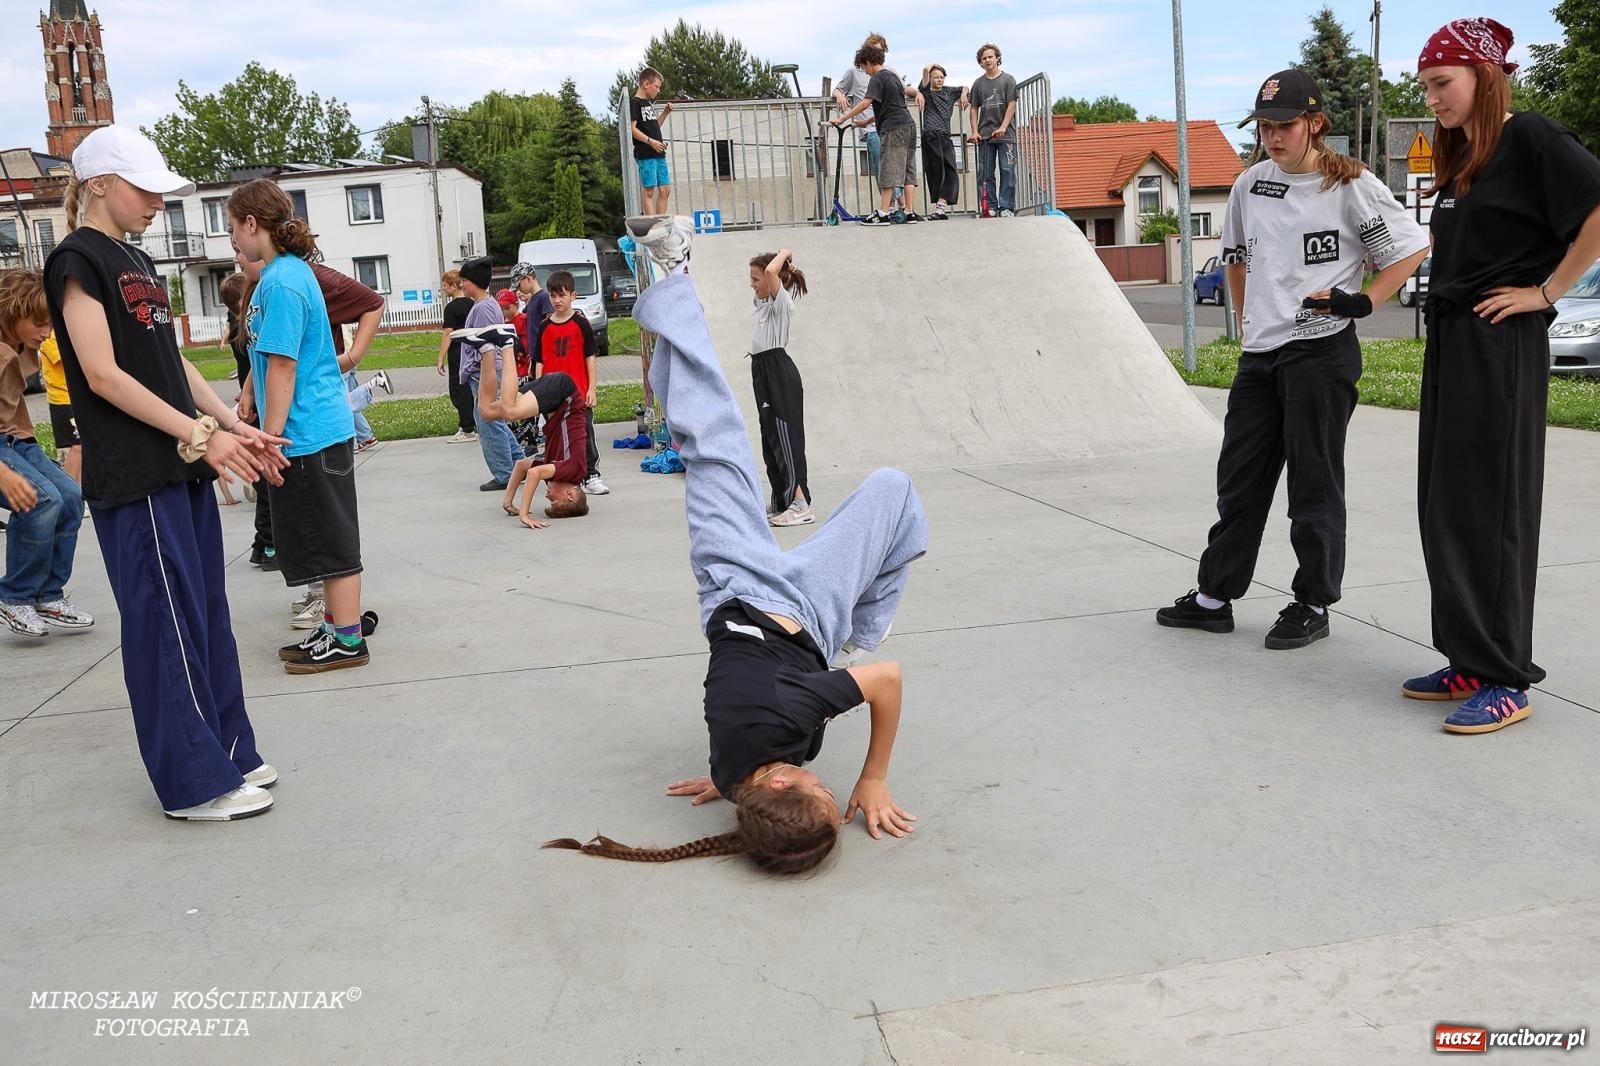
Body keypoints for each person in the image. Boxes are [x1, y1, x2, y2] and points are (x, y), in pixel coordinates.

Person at [542, 216, 926, 873]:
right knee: (892, 493)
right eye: (840, 797)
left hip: (749, 591)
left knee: (715, 442)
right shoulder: (735, 771)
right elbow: (747, 745)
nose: (831, 788)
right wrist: (725, 784)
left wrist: (874, 777)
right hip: (792, 615)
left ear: (776, 783)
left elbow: (886, 684)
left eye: (820, 791)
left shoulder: (783, 720)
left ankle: (674, 277)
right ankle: (859, 625)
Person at [45, 126, 284, 819]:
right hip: (137, 473)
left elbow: (171, 363)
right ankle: (191, 783)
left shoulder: (141, 263)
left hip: (182, 467)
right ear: (97, 185)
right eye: (143, 187)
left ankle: (229, 749)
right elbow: (100, 374)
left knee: (206, 611)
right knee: (164, 621)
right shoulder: (77, 260)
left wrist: (232, 425)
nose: (156, 200)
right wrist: (200, 435)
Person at [1155, 69, 1428, 653]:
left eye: (1285, 126)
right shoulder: (1250, 184)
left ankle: (1312, 600)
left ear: (1315, 123)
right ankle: (1214, 598)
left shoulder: (1351, 183)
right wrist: (1246, 317)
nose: (1273, 138)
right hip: (1261, 354)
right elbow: (1234, 257)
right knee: (1240, 481)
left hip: (1321, 350)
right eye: (1265, 127)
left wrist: (1366, 300)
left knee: (1313, 482)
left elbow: (1411, 249)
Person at [1402, 19, 1600, 734]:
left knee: (1495, 504)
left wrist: (1546, 294)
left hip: (1499, 345)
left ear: (1485, 78)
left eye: (1441, 84)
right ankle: (1467, 657)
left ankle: (1506, 675)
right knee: (1447, 501)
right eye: (1425, 88)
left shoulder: (1534, 138)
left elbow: (1596, 213)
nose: (1432, 101)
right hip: (1454, 341)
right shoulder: (1464, 155)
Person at [227, 177, 372, 674]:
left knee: (330, 540)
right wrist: (250, 395)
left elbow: (284, 366)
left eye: (232, 227)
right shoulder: (281, 275)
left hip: (309, 430)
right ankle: (334, 628)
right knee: (318, 538)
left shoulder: (283, 282)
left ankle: (348, 640)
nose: (232, 239)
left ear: (252, 224)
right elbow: (267, 360)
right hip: (309, 427)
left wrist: (269, 438)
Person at [0, 269, 91, 639]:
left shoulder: (23, 345)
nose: (47, 332)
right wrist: (6, 474)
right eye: (39, 323)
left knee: (70, 495)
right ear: (11, 311)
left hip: (15, 438)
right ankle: (15, 595)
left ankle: (47, 594)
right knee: (39, 500)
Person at [467, 324, 589, 528]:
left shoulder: (556, 468)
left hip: (554, 396)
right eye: (553, 499)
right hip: (563, 392)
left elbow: (522, 466)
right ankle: (507, 342)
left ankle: (486, 350)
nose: (548, 495)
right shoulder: (574, 469)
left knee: (486, 412)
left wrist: (508, 502)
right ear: (570, 494)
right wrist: (525, 514)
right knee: (510, 411)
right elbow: (533, 474)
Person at [747, 249, 813, 526]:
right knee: (770, 438)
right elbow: (769, 275)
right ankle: (781, 500)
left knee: (787, 438)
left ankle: (800, 504)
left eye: (756, 279)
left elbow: (773, 272)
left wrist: (784, 252)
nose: (752, 284)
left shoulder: (781, 302)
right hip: (761, 369)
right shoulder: (762, 302)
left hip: (778, 371)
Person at [534, 270, 608, 496]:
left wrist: (591, 389)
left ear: (573, 296)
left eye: (562, 295)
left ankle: (591, 474)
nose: (557, 301)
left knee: (583, 433)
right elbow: (539, 362)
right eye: (553, 296)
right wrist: (538, 395)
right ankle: (563, 476)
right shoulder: (545, 327)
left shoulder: (581, 323)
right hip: (552, 395)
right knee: (555, 436)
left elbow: (590, 357)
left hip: (577, 392)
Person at [830, 43, 919, 226]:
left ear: (869, 63)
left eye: (864, 67)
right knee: (908, 171)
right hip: (909, 126)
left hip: (893, 129)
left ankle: (883, 213)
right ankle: (909, 212)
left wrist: (842, 119)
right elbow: (892, 105)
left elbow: (865, 103)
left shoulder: (877, 78)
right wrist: (867, 122)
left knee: (888, 169)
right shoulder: (893, 77)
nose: (865, 71)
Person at [457, 255, 521, 490]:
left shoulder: (483, 307)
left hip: (485, 374)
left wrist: (482, 373)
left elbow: (487, 346)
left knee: (488, 423)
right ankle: (518, 465)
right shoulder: (486, 304)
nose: (462, 284)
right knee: (499, 420)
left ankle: (504, 474)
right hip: (488, 372)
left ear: (474, 281)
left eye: (464, 280)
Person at [968, 43, 1018, 217]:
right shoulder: (978, 83)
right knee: (985, 173)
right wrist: (974, 131)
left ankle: (1006, 207)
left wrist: (1003, 126)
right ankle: (989, 206)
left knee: (1007, 170)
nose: (987, 60)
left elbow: (1012, 104)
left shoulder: (1008, 79)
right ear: (980, 62)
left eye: (990, 56)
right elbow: (973, 108)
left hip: (1006, 134)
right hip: (985, 135)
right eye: (984, 58)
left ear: (997, 58)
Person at [918, 64, 967, 219]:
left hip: (945, 136)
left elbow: (964, 87)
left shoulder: (949, 92)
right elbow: (925, 70)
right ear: (930, 79)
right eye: (936, 77)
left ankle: (941, 208)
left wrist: (964, 95)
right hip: (931, 136)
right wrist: (932, 67)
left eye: (941, 77)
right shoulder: (926, 91)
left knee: (951, 171)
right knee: (937, 172)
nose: (939, 80)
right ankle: (939, 208)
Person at [436, 270, 477, 443]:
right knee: (472, 387)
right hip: (473, 349)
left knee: (458, 390)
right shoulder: (473, 303)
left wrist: (440, 357)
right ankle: (473, 423)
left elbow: (448, 334)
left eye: (445, 286)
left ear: (454, 285)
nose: (444, 289)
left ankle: (467, 428)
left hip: (457, 351)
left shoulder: (451, 308)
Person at [629, 67, 675, 215]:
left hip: (658, 153)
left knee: (665, 189)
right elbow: (632, 129)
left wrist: (665, 113)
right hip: (646, 153)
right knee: (649, 190)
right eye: (657, 86)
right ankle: (652, 226)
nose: (658, 90)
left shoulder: (648, 104)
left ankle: (661, 223)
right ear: (646, 83)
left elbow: (655, 125)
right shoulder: (635, 103)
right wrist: (651, 142)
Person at [37, 331, 82, 482]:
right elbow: (64, 358)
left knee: (83, 447)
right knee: (77, 446)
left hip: (75, 397)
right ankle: (71, 490)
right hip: (62, 399)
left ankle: (80, 491)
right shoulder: (49, 334)